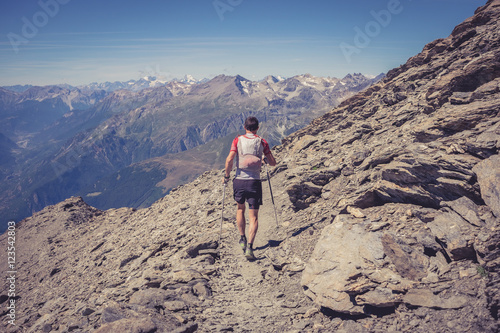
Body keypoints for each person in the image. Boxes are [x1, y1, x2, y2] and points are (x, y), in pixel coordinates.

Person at [223, 116, 276, 260]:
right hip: (254, 182)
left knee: (240, 209)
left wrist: (227, 176)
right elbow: (273, 163)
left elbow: (229, 159)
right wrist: (264, 159)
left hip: (239, 181)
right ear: (257, 128)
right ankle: (250, 248)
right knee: (254, 217)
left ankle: (242, 238)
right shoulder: (262, 142)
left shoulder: (237, 140)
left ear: (244, 127)